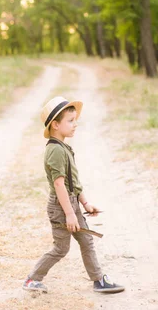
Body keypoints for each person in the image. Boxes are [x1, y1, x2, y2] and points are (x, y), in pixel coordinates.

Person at [23, 96, 125, 295]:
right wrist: (69, 214)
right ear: (55, 125)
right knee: (61, 248)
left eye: (75, 120)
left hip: (70, 204)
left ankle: (98, 280)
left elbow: (72, 181)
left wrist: (85, 203)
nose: (75, 124)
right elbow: (59, 184)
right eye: (70, 121)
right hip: (61, 207)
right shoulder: (55, 151)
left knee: (87, 241)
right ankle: (32, 279)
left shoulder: (63, 148)